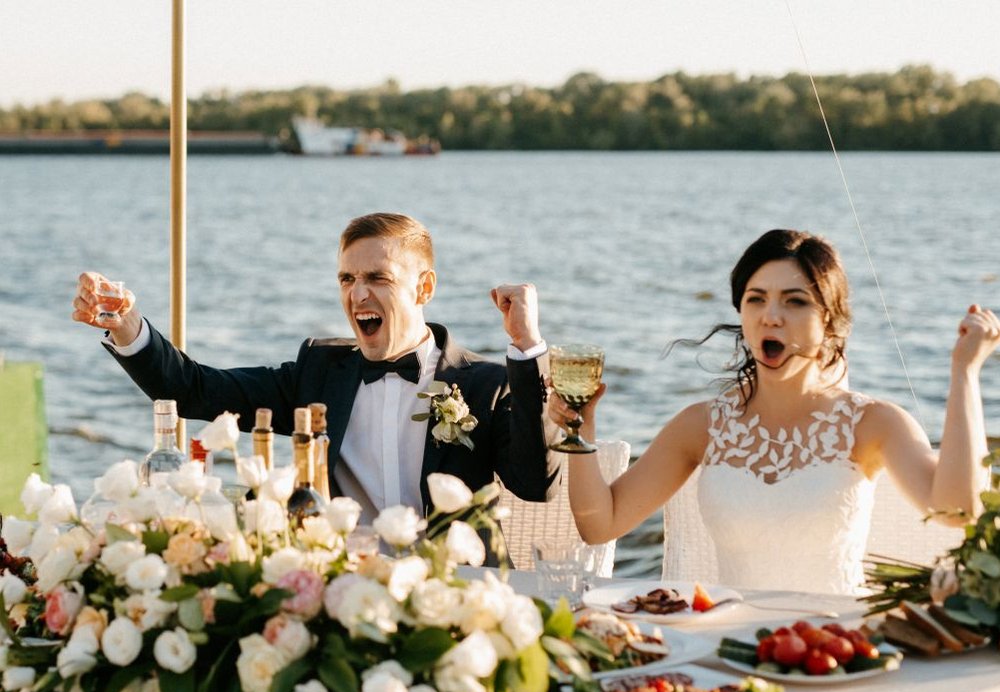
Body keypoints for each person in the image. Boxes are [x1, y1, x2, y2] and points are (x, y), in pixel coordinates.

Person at [72, 212, 560, 565]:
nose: (357, 293)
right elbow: (197, 390)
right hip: (342, 590)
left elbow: (536, 483)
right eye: (347, 278)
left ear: (424, 288)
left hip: (458, 596)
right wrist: (128, 327)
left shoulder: (486, 382)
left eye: (377, 278)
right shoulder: (320, 371)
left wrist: (526, 348)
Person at [549, 228, 1000, 594]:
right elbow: (600, 524)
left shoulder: (873, 424)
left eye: (795, 301)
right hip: (731, 650)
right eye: (756, 298)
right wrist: (581, 428)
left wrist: (964, 372)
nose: (771, 316)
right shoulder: (702, 426)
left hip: (835, 652)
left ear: (830, 320)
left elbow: (956, 511)